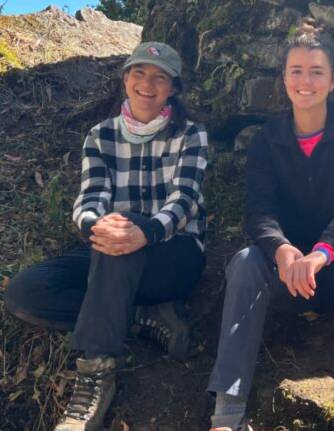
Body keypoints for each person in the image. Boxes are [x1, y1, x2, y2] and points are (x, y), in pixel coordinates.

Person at [4, 41, 208, 431]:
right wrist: (96, 226)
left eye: (159, 77)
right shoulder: (100, 136)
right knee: (24, 293)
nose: (146, 83)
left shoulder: (191, 135)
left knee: (124, 228)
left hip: (173, 255)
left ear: (172, 89)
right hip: (113, 252)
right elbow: (89, 199)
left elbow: (185, 199)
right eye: (138, 73)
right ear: (125, 79)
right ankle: (141, 317)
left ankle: (96, 372)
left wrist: (142, 231)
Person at [207, 19, 334, 431]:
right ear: (284, 79)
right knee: (243, 262)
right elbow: (258, 209)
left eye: (316, 71)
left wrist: (323, 252)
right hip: (285, 279)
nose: (305, 81)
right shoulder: (267, 141)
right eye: (296, 71)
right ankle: (228, 407)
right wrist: (283, 250)